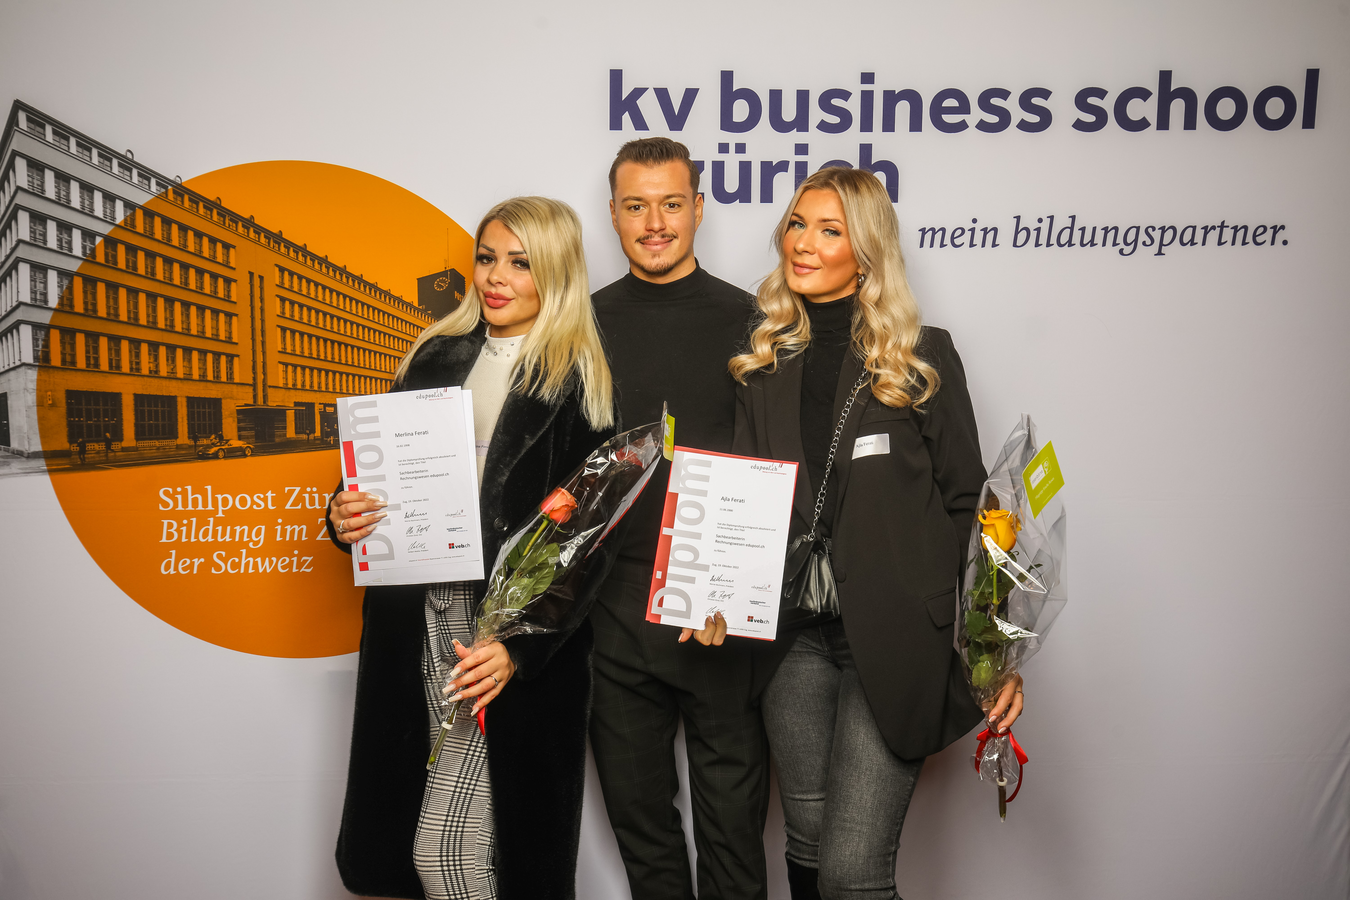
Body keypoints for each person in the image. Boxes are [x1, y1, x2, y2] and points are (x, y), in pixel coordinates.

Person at [729, 167, 1026, 900]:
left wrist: (992, 650)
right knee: (807, 845)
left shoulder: (921, 355)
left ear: (865, 254)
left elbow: (972, 507)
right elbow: (744, 505)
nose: (803, 243)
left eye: (829, 231)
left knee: (853, 873)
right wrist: (714, 596)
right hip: (791, 642)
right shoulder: (763, 364)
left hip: (895, 643)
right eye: (798, 224)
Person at [326, 197, 617, 900]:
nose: (496, 277)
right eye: (487, 258)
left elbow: (589, 541)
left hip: (500, 635)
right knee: (428, 836)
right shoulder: (436, 355)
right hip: (414, 618)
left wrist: (520, 648)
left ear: (556, 272)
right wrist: (341, 513)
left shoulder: (579, 378)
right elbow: (375, 476)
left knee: (454, 851)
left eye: (520, 263)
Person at [590, 137, 769, 900]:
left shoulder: (752, 321)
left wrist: (734, 589)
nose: (655, 223)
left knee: (734, 844)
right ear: (613, 214)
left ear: (698, 208)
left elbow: (776, 463)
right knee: (646, 840)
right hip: (612, 618)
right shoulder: (581, 324)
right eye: (637, 206)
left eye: (671, 204)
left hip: (719, 616)